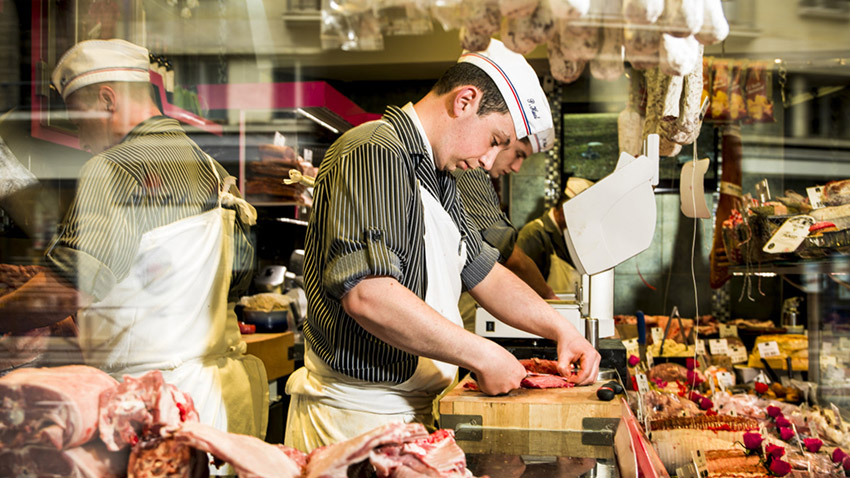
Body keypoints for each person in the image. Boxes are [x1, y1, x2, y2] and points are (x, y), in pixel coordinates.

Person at [285, 39, 600, 452]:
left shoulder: (441, 177)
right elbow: (368, 295)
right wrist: (481, 354)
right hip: (357, 419)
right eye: (495, 139)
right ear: (465, 101)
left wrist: (561, 329)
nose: (490, 162)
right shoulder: (374, 151)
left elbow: (483, 272)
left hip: (410, 413)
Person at [0, 39, 268, 441]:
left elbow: (65, 291)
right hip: (212, 401)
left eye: (78, 121)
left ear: (107, 100)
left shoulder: (115, 166)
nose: (83, 140)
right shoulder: (209, 167)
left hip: (148, 408)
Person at [455, 118, 558, 331]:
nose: (517, 168)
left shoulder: (478, 173)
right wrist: (549, 299)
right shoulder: (468, 169)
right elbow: (508, 252)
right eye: (518, 154)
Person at [516, 176, 594, 295]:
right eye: (580, 217)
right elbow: (521, 286)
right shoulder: (534, 234)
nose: (582, 224)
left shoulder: (565, 236)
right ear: (565, 211)